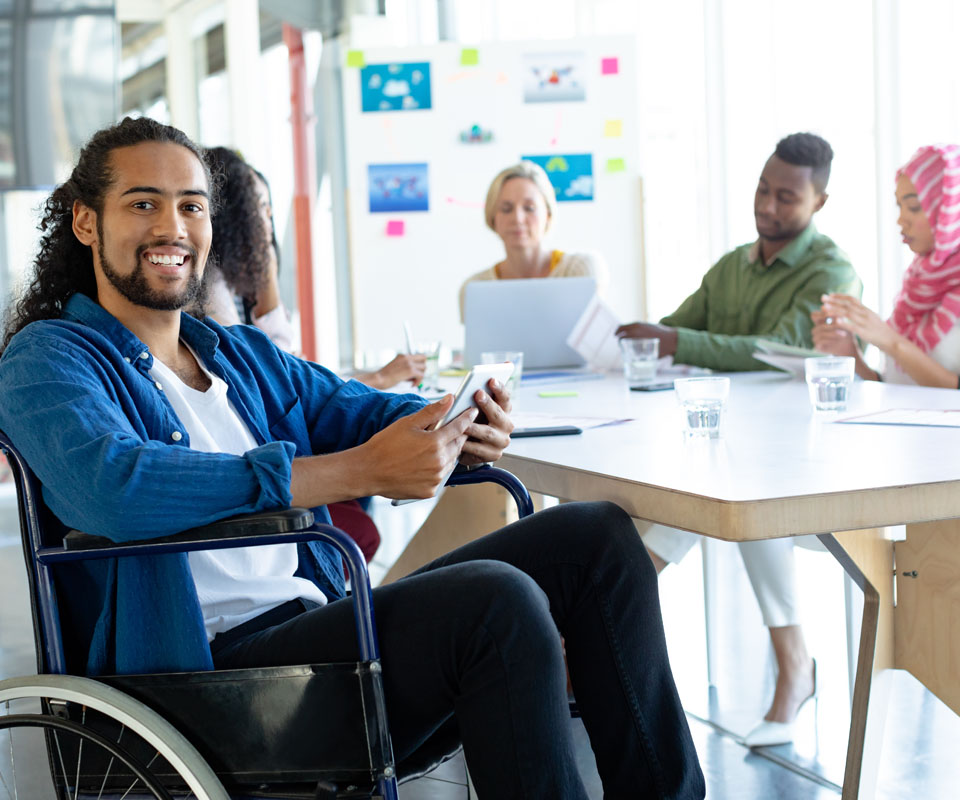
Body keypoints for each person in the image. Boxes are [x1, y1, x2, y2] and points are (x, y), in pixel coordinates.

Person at [0, 117, 705, 798]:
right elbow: (117, 488)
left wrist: (455, 423)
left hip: (317, 633)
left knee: (598, 536)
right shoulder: (49, 358)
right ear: (86, 221)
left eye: (192, 205)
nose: (172, 227)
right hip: (203, 682)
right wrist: (355, 470)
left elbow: (359, 409)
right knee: (496, 603)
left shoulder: (236, 354)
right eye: (143, 203)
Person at [617, 133, 863, 747]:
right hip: (743, 457)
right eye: (762, 188)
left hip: (814, 463)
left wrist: (677, 343)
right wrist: (642, 337)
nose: (769, 206)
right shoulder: (731, 267)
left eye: (787, 196)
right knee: (717, 488)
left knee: (719, 493)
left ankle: (595, 624)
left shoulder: (831, 271)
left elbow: (776, 352)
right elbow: (678, 326)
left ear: (820, 202)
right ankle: (793, 666)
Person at [203, 145, 426, 390]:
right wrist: (379, 379)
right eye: (257, 204)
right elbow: (275, 385)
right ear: (231, 214)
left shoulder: (236, 282)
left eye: (269, 207)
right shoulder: (210, 285)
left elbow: (281, 369)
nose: (267, 216)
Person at [813, 144, 960, 387]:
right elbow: (898, 387)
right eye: (899, 206)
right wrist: (851, 356)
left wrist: (889, 340)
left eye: (914, 207)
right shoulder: (918, 285)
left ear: (951, 211)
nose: (901, 220)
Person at [458, 161, 608, 321]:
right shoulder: (474, 289)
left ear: (548, 215)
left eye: (529, 208)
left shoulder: (581, 270)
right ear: (492, 217)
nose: (518, 219)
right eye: (506, 209)